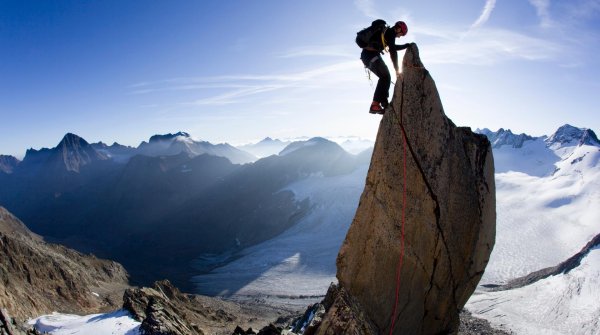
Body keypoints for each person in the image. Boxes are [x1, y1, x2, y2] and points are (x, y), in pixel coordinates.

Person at [358, 20, 410, 114]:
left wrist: (406, 46)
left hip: (369, 55)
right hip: (370, 55)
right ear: (398, 29)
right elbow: (393, 51)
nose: (399, 36)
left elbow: (392, 47)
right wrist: (397, 69)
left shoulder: (388, 33)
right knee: (385, 76)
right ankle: (376, 104)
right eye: (401, 34)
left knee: (385, 77)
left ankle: (383, 102)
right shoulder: (391, 32)